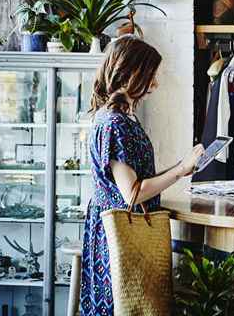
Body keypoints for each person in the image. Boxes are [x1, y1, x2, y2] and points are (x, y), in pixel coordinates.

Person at [80, 35, 204, 316]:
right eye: (150, 76)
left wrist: (181, 166)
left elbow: (134, 180)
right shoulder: (115, 124)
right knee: (125, 305)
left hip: (115, 227)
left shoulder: (116, 118)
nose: (155, 84)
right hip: (119, 231)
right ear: (132, 74)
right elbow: (132, 193)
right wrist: (181, 169)